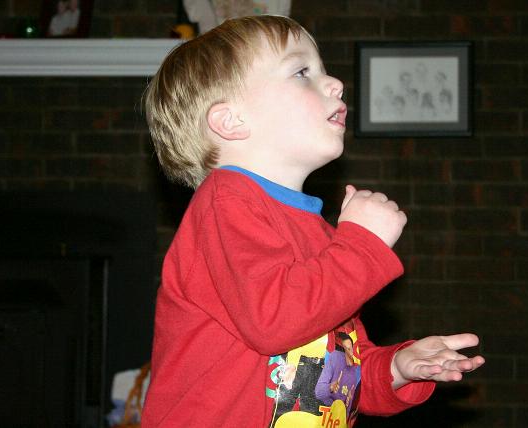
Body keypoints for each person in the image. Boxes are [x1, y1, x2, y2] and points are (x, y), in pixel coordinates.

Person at [141, 15, 484, 428]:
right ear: (231, 121)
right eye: (302, 72)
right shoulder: (225, 203)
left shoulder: (321, 235)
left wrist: (396, 368)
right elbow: (275, 321)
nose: (335, 83)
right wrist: (362, 246)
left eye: (322, 69)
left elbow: (337, 370)